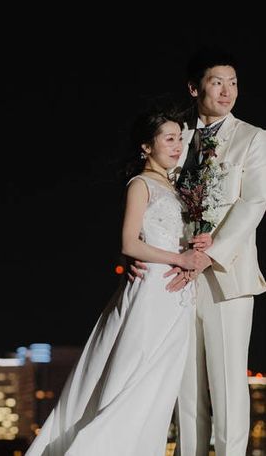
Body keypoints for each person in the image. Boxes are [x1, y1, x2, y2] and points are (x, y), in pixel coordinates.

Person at [25, 109, 211, 456]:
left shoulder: (175, 187)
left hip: (176, 297)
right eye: (169, 139)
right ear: (146, 146)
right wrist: (180, 259)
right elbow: (129, 243)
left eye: (179, 139)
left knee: (158, 389)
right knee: (134, 379)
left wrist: (197, 248)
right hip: (152, 291)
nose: (177, 146)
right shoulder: (141, 184)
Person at [131, 46, 266, 456]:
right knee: (186, 387)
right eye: (217, 82)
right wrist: (138, 249)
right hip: (175, 278)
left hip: (226, 276)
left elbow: (253, 203)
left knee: (227, 386)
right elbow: (152, 193)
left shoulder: (253, 138)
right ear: (194, 88)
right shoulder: (179, 138)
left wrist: (211, 252)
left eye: (233, 83)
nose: (227, 91)